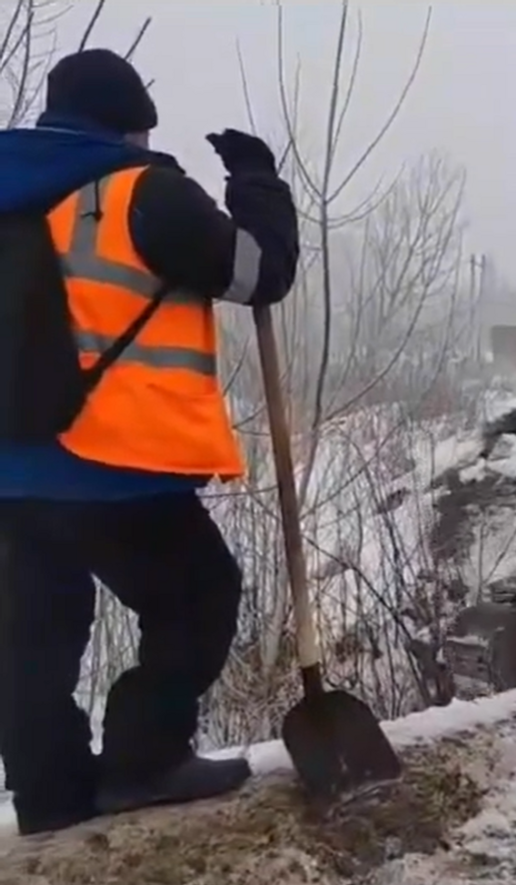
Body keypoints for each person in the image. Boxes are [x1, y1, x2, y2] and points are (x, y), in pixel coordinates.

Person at [0, 48, 299, 835]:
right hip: (109, 461)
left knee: (32, 638)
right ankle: (142, 759)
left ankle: (51, 800)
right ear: (132, 124)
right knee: (199, 597)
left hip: (8, 469)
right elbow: (257, 271)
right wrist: (258, 184)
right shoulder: (141, 192)